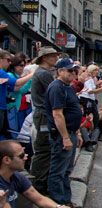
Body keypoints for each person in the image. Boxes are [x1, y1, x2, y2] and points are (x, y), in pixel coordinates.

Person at [45, 58, 83, 206]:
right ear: (60, 71)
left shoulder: (67, 86)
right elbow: (57, 114)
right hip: (62, 135)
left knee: (67, 170)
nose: (73, 73)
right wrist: (65, 138)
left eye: (74, 70)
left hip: (71, 132)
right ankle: (58, 203)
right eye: (69, 70)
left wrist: (77, 133)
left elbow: (73, 110)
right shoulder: (56, 87)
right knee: (58, 170)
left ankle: (66, 199)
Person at [29, 47, 61, 195]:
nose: (55, 58)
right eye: (52, 55)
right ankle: (38, 184)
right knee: (44, 150)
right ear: (44, 58)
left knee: (46, 149)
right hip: (43, 115)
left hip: (43, 114)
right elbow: (55, 91)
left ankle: (40, 182)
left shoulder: (43, 73)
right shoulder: (43, 74)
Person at [0, 50, 34, 140]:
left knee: (9, 132)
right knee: (11, 132)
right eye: (8, 60)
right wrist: (31, 75)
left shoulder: (7, 74)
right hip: (8, 108)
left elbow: (16, 88)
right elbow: (17, 84)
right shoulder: (6, 74)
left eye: (24, 65)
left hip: (9, 107)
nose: (9, 62)